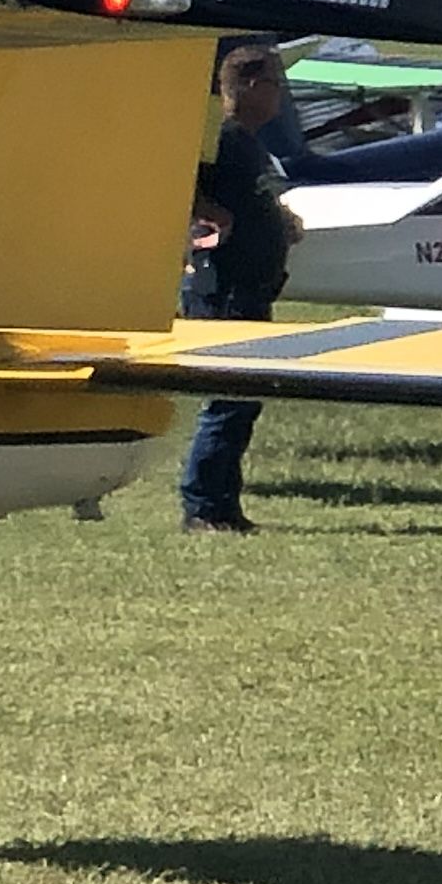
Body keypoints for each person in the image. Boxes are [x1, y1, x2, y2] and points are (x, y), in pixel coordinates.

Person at [179, 41, 309, 535]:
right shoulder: (223, 138)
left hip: (251, 288)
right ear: (252, 87)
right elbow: (180, 175)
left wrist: (278, 220)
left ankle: (223, 505)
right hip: (225, 288)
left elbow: (253, 196)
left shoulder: (250, 143)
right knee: (230, 397)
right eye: (276, 84)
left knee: (244, 397)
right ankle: (203, 506)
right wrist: (207, 211)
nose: (280, 96)